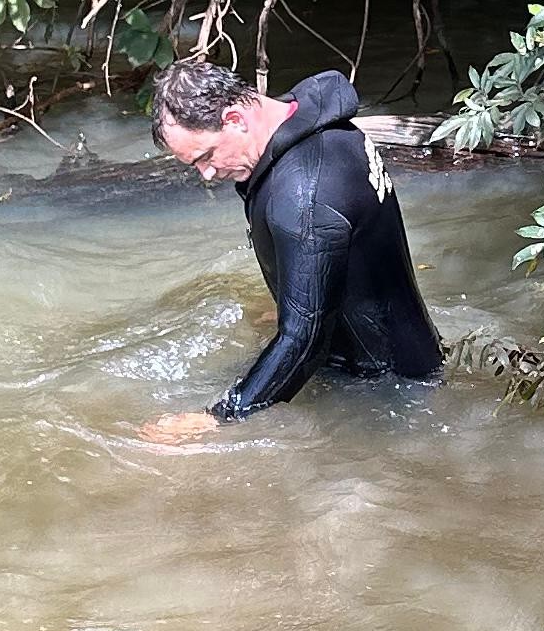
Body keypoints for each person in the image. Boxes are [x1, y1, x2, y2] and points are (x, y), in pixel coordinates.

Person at [142, 58, 446, 439]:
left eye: (206, 156)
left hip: (385, 390)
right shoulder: (316, 127)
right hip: (412, 351)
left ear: (234, 119)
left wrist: (217, 418)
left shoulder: (303, 193)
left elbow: (305, 338)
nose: (206, 173)